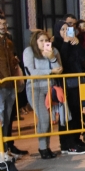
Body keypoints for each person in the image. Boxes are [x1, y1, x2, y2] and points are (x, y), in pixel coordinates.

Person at [53, 21, 85, 154]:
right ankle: (67, 143)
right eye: (62, 29)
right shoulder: (56, 44)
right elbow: (62, 59)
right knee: (67, 114)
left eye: (67, 29)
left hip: (77, 80)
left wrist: (77, 43)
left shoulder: (73, 42)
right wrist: (64, 42)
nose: (66, 32)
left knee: (77, 111)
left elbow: (84, 57)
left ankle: (76, 139)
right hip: (65, 82)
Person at [23, 30, 62, 159]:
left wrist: (52, 58)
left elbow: (59, 69)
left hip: (50, 88)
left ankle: (46, 146)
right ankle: (42, 147)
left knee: (48, 119)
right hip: (35, 88)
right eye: (41, 41)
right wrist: (50, 71)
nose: (45, 43)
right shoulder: (29, 52)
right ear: (35, 41)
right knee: (44, 118)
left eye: (47, 40)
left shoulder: (53, 51)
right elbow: (31, 71)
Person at [0, 17, 25, 156]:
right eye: (0, 24)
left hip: (10, 84)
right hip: (1, 85)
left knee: (8, 118)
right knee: (1, 118)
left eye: (4, 24)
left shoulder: (8, 43)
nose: (3, 26)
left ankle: (7, 147)